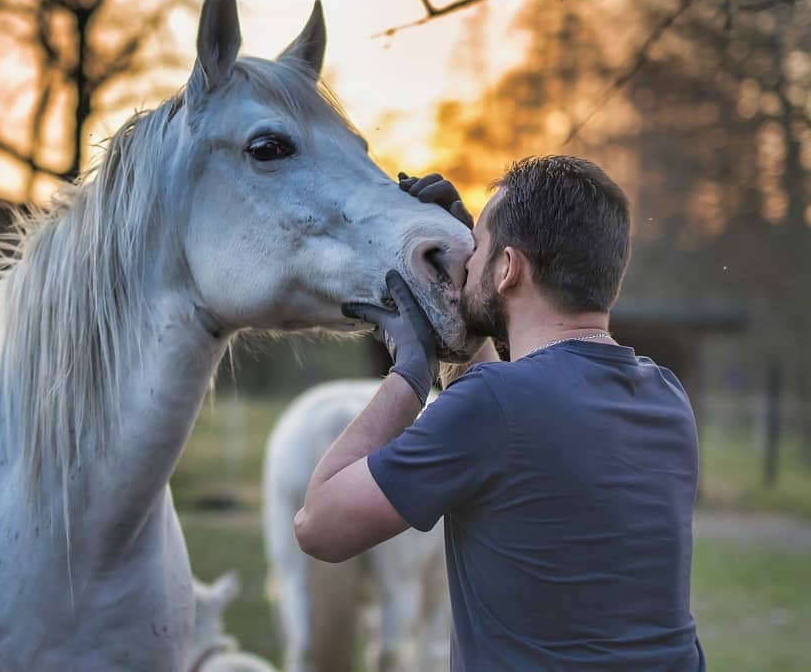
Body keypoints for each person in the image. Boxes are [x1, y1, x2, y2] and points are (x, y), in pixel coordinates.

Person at [293, 156, 705, 670]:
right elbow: (508, 415)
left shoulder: (494, 407)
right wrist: (466, 297)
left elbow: (318, 525)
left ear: (509, 269)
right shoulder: (666, 396)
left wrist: (411, 373)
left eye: (479, 250)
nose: (467, 264)